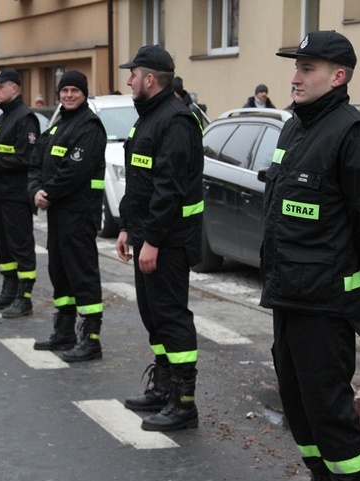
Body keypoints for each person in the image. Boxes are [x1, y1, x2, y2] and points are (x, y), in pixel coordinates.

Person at [261, 31, 360, 481]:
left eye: (307, 68)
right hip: (287, 294)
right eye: (296, 67)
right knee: (298, 407)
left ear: (337, 77)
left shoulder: (351, 133)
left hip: (324, 301)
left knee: (328, 409)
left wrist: (343, 276)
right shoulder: (294, 127)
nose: (295, 77)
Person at [116, 45, 204, 432]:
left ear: (149, 79)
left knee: (171, 317)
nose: (129, 80)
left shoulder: (176, 121)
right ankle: (164, 387)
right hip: (148, 236)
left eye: (132, 74)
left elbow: (169, 189)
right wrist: (125, 228)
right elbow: (139, 184)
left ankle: (184, 404)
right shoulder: (147, 118)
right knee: (154, 317)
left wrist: (150, 240)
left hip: (169, 241)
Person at [29, 70, 107, 361]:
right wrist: (34, 190)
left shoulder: (89, 126)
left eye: (75, 90)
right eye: (65, 91)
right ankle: (64, 331)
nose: (69, 95)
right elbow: (35, 161)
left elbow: (73, 172)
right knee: (60, 273)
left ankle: (91, 339)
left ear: (84, 94)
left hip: (79, 214)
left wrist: (45, 193)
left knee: (82, 274)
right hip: (58, 215)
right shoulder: (58, 126)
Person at [0, 68, 40, 318]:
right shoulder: (2, 118)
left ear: (14, 88)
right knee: (2, 246)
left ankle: (24, 298)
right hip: (0, 192)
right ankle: (9, 290)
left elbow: (27, 158)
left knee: (20, 246)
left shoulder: (25, 118)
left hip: (17, 194)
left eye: (0, 86)